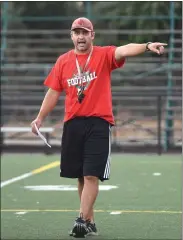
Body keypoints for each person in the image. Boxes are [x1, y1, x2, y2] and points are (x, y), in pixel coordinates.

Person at [31, 17, 167, 238]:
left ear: (92, 35)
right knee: (80, 176)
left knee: (92, 175)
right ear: (72, 35)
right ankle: (90, 220)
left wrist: (146, 46)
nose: (81, 36)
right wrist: (39, 118)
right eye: (77, 32)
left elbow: (123, 50)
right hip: (73, 123)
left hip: (98, 123)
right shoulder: (63, 61)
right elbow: (53, 92)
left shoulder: (103, 55)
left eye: (85, 32)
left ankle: (81, 220)